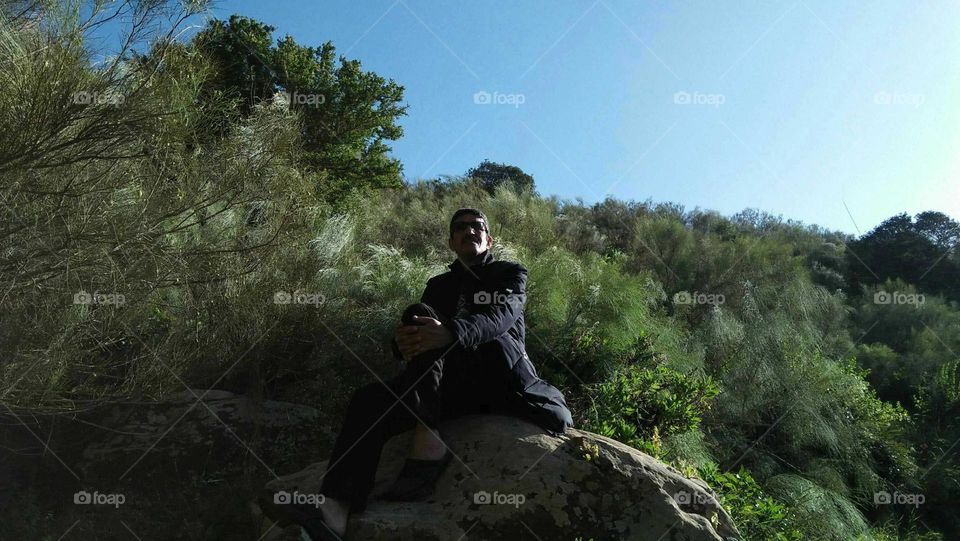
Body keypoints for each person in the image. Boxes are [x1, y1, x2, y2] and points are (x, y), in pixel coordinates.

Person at [260, 208, 573, 540]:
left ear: (489, 238)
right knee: (371, 396)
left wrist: (451, 331)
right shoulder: (439, 284)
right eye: (461, 227)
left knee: (430, 324)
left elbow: (501, 317)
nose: (470, 231)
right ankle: (336, 508)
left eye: (477, 227)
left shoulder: (508, 273)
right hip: (450, 388)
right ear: (451, 241)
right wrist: (402, 343)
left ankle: (427, 442)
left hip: (499, 377)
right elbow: (422, 338)